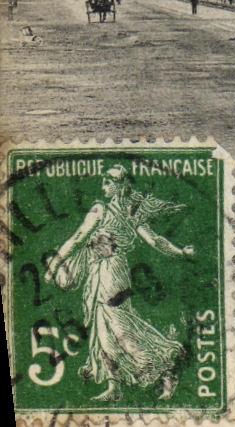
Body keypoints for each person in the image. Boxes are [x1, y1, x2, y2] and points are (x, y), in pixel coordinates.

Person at [44, 165, 193, 403]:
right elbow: (154, 241)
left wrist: (55, 264)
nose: (103, 186)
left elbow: (79, 238)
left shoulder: (104, 210)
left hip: (112, 272)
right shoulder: (125, 212)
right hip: (99, 271)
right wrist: (180, 252)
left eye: (108, 182)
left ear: (120, 185)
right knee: (101, 328)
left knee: (117, 326)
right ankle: (115, 385)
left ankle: (165, 366)